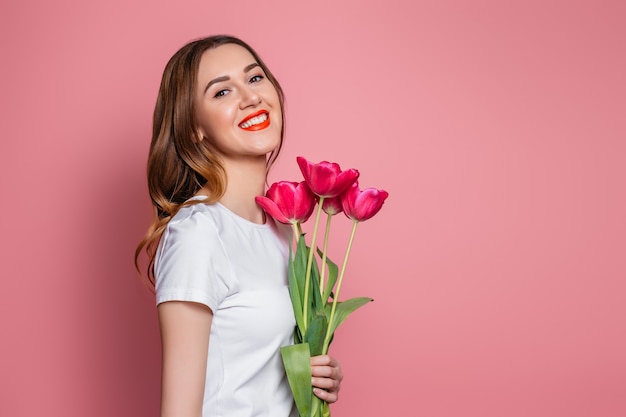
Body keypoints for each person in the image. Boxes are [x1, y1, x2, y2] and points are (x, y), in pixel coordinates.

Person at [135, 35, 343, 417]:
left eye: (255, 78)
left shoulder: (282, 227)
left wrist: (305, 376)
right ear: (194, 128)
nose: (250, 97)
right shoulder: (199, 234)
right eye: (221, 92)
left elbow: (250, 362)